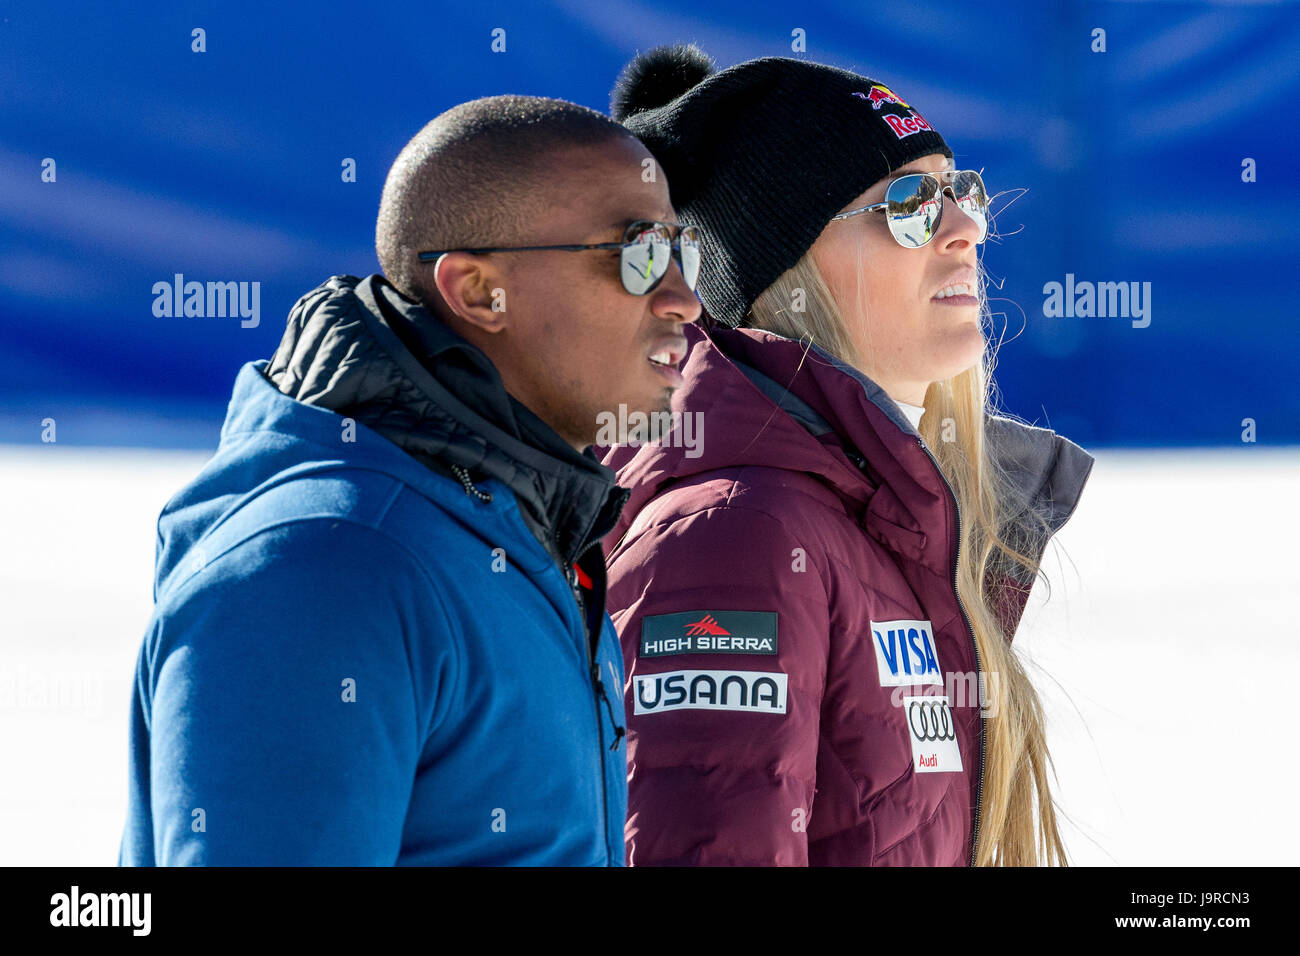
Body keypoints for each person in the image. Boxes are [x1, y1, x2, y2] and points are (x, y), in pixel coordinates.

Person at [118, 94, 702, 865]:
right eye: (637, 252)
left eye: (682, 251)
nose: (684, 298)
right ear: (475, 290)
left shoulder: (513, 526)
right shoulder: (327, 566)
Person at [600, 46, 1095, 866]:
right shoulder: (735, 537)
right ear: (789, 270)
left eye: (958, 192)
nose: (967, 227)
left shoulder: (881, 515)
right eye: (907, 203)